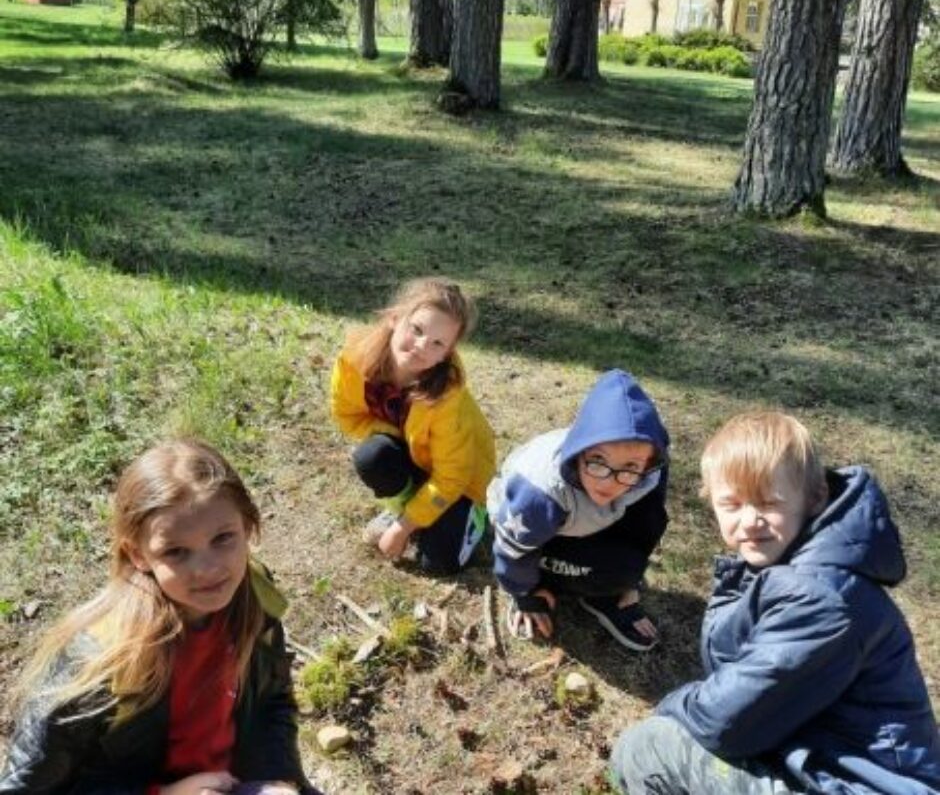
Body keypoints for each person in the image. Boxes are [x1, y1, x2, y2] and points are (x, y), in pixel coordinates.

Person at [610, 412, 940, 795]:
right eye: (731, 504)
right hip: (833, 759)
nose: (749, 520)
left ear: (814, 497)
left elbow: (725, 724)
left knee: (649, 748)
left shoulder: (820, 597)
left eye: (768, 502)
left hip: (862, 785)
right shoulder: (797, 565)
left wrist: (671, 705)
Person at [0, 439, 319, 795]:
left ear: (248, 527)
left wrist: (278, 779)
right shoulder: (99, 658)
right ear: (136, 555)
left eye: (223, 538)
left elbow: (271, 702)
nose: (208, 569)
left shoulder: (255, 596)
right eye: (176, 552)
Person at [487, 369, 670, 652]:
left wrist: (628, 581)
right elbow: (512, 548)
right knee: (615, 568)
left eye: (631, 467)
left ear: (649, 462)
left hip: (584, 519)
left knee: (631, 554)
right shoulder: (540, 493)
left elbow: (648, 525)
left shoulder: (650, 473)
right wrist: (524, 593)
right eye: (598, 461)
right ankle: (547, 582)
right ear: (579, 451)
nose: (609, 480)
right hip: (531, 531)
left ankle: (604, 594)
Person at [330, 277, 495, 575]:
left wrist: (403, 528)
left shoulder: (446, 394)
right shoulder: (353, 361)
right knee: (373, 456)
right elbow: (347, 415)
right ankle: (405, 508)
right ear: (394, 318)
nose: (421, 345)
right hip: (416, 460)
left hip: (459, 483)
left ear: (447, 353)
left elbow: (452, 475)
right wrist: (392, 437)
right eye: (417, 329)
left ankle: (473, 518)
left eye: (437, 343)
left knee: (439, 564)